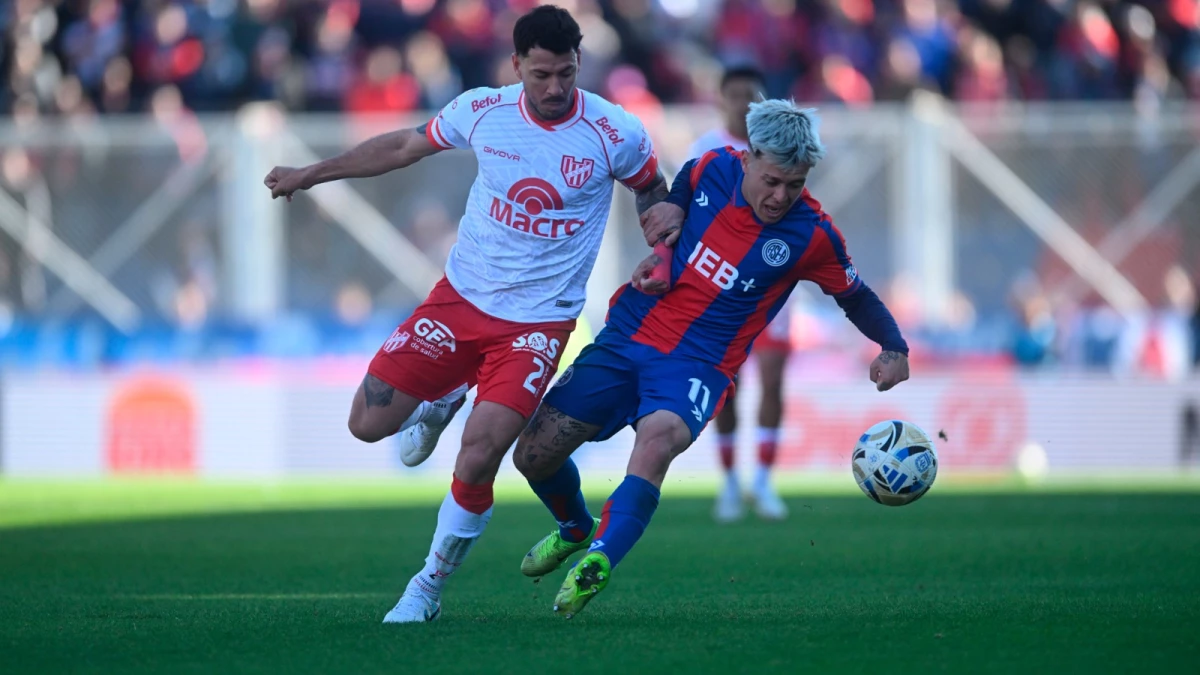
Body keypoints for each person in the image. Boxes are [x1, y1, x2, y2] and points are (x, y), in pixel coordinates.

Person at [263, 5, 668, 623]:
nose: (556, 88)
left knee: (479, 454)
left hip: (537, 323)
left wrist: (659, 236)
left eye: (566, 73)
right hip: (458, 303)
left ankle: (425, 588)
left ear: (579, 63)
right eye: (541, 75)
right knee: (368, 425)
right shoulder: (484, 110)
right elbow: (403, 146)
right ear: (516, 67)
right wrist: (312, 173)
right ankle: (446, 392)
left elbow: (651, 187)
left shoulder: (615, 132)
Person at [510, 100, 910, 618]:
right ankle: (574, 528)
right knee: (532, 456)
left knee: (659, 442)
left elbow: (855, 295)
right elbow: (680, 193)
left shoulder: (813, 235)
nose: (781, 196)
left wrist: (894, 346)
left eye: (795, 184)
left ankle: (599, 561)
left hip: (699, 365)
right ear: (749, 157)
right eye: (772, 180)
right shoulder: (712, 166)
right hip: (629, 336)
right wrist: (670, 222)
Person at [688, 65, 791, 522]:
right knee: (728, 384)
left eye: (753, 96)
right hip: (720, 287)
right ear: (722, 99)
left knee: (773, 378)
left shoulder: (784, 148)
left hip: (771, 281)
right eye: (736, 96)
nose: (744, 104)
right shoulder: (705, 150)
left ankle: (764, 481)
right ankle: (730, 481)